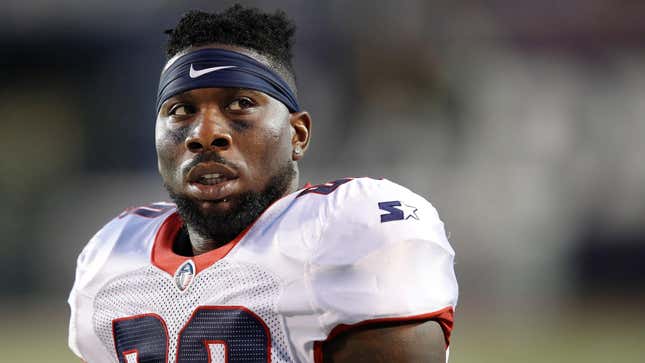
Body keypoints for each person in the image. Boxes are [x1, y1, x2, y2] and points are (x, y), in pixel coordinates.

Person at [68, 4, 458, 363]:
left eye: (240, 104)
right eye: (181, 110)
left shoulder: (347, 228)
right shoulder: (110, 257)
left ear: (298, 135)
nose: (204, 134)